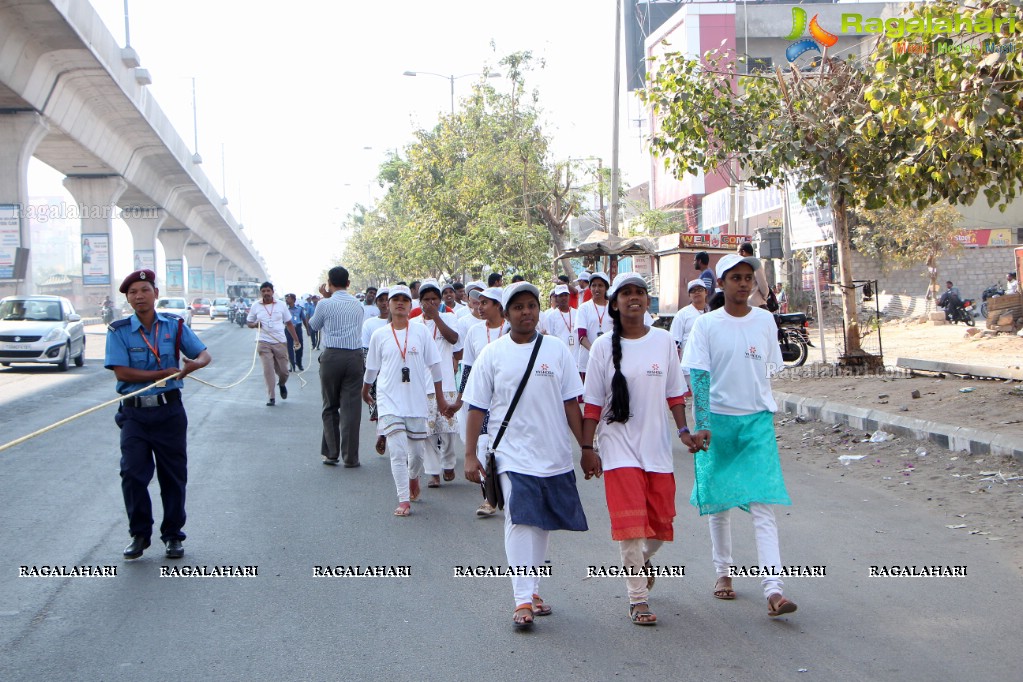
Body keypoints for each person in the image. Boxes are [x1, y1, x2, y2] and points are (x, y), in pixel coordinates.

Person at [463, 281, 600, 629]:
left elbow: (572, 403)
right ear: (507, 314)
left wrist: (586, 447)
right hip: (510, 453)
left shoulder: (555, 350)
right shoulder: (492, 355)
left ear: (539, 310)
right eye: (519, 307)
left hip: (553, 454)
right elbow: (476, 408)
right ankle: (521, 598)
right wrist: (469, 455)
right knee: (520, 519)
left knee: (541, 524)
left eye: (532, 306)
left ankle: (533, 589)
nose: (526, 312)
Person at [682, 253, 797, 618]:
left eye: (749, 277)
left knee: (763, 504)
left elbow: (769, 367)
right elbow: (699, 376)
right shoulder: (706, 325)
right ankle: (723, 572)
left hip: (757, 422)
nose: (744, 283)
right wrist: (702, 423)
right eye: (736, 277)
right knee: (720, 502)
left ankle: (774, 589)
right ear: (721, 283)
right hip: (717, 421)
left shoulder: (764, 320)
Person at [582, 273, 689, 625]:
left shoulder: (664, 340)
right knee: (630, 525)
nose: (634, 298)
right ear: (615, 303)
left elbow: (675, 393)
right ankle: (637, 597)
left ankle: (643, 561)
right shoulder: (601, 348)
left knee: (660, 524)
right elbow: (594, 405)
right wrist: (587, 447)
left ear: (647, 300)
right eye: (626, 293)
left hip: (656, 448)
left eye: (640, 292)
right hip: (617, 449)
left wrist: (685, 431)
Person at [105, 269, 211, 560]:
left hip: (169, 411)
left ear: (155, 293)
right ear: (127, 298)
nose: (138, 296)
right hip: (134, 414)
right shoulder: (118, 330)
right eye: (132, 293)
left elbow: (204, 354)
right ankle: (139, 534)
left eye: (144, 290)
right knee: (132, 474)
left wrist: (192, 366)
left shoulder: (174, 326)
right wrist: (161, 373)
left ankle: (173, 536)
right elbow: (122, 371)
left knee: (173, 476)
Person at [363, 285, 448, 516]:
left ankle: (413, 478)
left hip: (416, 401)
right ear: (388, 304)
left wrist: (440, 397)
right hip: (389, 400)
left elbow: (435, 366)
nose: (400, 303)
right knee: (398, 451)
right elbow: (372, 367)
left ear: (411, 305)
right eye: (395, 299)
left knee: (417, 454)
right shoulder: (379, 335)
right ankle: (403, 500)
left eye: (405, 300)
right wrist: (365, 389)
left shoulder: (420, 332)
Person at [451, 286, 509, 517]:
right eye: (478, 302)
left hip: (508, 400)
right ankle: (489, 499)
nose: (479, 306)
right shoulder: (474, 332)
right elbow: (467, 369)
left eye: (485, 303)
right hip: (483, 400)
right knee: (484, 447)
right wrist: (459, 399)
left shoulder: (512, 329)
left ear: (498, 305)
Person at [311, 266, 366, 466]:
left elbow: (314, 325)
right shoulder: (358, 304)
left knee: (330, 405)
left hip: (332, 356)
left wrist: (324, 298)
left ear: (329, 283)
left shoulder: (324, 304)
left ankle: (331, 453)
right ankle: (351, 457)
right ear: (349, 283)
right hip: (354, 357)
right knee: (351, 409)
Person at [415, 281, 462, 487]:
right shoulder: (415, 324)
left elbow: (454, 340)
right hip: (422, 385)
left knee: (448, 429)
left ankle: (449, 463)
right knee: (427, 432)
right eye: (426, 300)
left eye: (435, 299)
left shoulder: (450, 317)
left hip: (447, 383)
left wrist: (436, 317)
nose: (431, 303)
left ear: (440, 300)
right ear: (420, 302)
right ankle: (433, 472)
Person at [247, 282, 301, 406]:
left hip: (279, 342)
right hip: (263, 341)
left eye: (268, 291)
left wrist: (296, 339)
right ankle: (271, 397)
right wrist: (255, 325)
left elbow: (288, 323)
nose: (266, 293)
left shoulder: (281, 305)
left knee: (284, 371)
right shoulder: (256, 306)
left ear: (272, 292)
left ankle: (282, 384)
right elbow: (249, 322)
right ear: (261, 293)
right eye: (263, 291)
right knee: (268, 369)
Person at [362, 288, 390, 454]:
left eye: (388, 299)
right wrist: (372, 376)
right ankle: (382, 433)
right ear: (376, 302)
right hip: (378, 374)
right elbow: (366, 353)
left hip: (400, 374)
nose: (385, 303)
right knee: (380, 405)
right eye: (381, 300)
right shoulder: (370, 324)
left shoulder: (407, 322)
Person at [576, 271, 612, 378]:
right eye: (594, 285)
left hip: (609, 360)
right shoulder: (584, 308)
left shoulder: (613, 308)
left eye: (600, 285)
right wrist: (596, 352)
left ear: (606, 288)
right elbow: (581, 336)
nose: (596, 289)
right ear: (590, 288)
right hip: (588, 360)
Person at [669, 279, 710, 362]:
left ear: (706, 292)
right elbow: (675, 341)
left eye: (700, 290)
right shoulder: (682, 314)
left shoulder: (712, 313)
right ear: (689, 295)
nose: (697, 292)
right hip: (689, 364)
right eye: (693, 291)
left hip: (709, 363)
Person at [284, 293, 311, 372]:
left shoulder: (299, 309)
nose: (286, 300)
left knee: (299, 346)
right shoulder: (284, 309)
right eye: (286, 298)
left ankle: (299, 363)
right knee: (289, 347)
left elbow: (304, 319)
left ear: (293, 300)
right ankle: (292, 364)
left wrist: (308, 330)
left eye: (288, 298)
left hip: (297, 328)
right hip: (288, 329)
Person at [739, 242, 770, 308]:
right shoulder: (755, 262)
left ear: (743, 252)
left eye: (738, 252)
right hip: (755, 302)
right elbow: (762, 283)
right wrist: (765, 296)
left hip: (744, 303)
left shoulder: (740, 264)